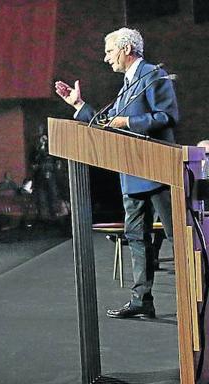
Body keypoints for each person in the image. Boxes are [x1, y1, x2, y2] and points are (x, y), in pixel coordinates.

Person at [54, 27, 178, 319]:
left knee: (177, 237)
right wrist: (80, 106)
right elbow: (109, 123)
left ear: (125, 49)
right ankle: (141, 300)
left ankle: (196, 291)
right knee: (136, 237)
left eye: (109, 51)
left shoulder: (154, 76)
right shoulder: (127, 84)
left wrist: (128, 121)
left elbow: (167, 117)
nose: (106, 57)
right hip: (132, 174)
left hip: (158, 172)